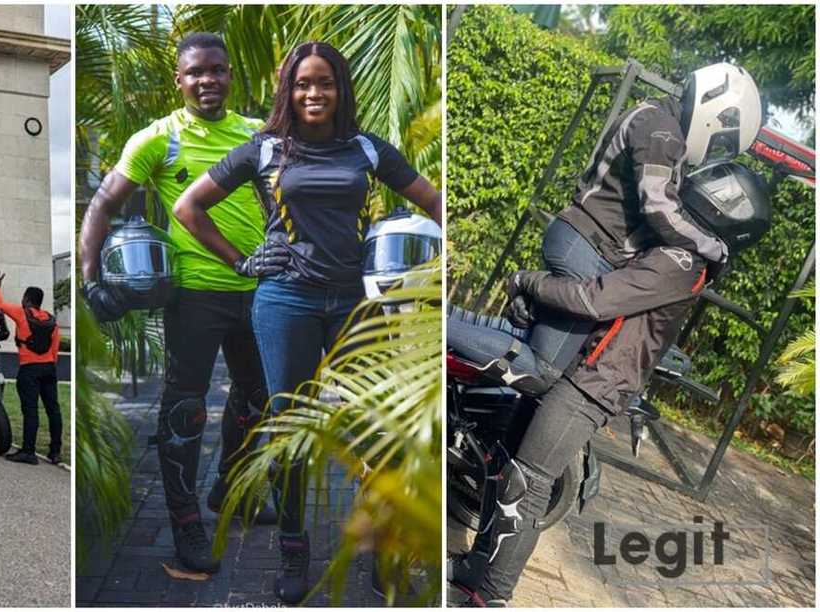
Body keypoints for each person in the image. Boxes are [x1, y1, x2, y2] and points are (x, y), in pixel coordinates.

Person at [174, 41, 441, 604]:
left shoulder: (367, 149)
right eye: (302, 84)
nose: (313, 93)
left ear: (340, 88)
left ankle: (384, 550)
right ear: (287, 92)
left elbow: (435, 203)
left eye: (324, 83)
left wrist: (422, 263)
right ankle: (294, 554)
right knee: (289, 429)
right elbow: (188, 208)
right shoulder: (266, 150)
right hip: (285, 303)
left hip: (356, 303)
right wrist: (241, 262)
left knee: (379, 429)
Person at [447, 164, 772, 605]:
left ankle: (492, 595)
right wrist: (536, 303)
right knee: (506, 466)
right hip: (583, 368)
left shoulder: (683, 261)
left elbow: (594, 297)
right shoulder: (680, 247)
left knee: (527, 482)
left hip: (595, 385)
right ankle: (474, 569)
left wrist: (528, 281)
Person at [78, 32, 279, 574]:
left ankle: (229, 490)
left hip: (259, 291)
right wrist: (90, 277)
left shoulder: (258, 134)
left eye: (217, 70)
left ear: (230, 75)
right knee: (186, 409)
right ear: (180, 80)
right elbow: (101, 204)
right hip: (194, 295)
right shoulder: (158, 140)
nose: (207, 80)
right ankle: (187, 526)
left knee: (259, 401)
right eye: (196, 73)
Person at [449, 62, 763, 392]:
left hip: (581, 239)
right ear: (716, 110)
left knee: (525, 338)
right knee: (544, 369)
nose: (714, 150)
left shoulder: (655, 116)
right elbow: (661, 209)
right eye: (722, 140)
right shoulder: (663, 132)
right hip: (590, 245)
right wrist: (712, 248)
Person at [0, 271, 62, 466]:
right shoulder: (51, 320)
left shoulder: (22, 313)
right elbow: (55, 347)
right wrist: (50, 365)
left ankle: (28, 452)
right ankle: (55, 452)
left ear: (27, 299)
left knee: (30, 410)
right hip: (49, 368)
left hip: (29, 369)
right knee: (53, 409)